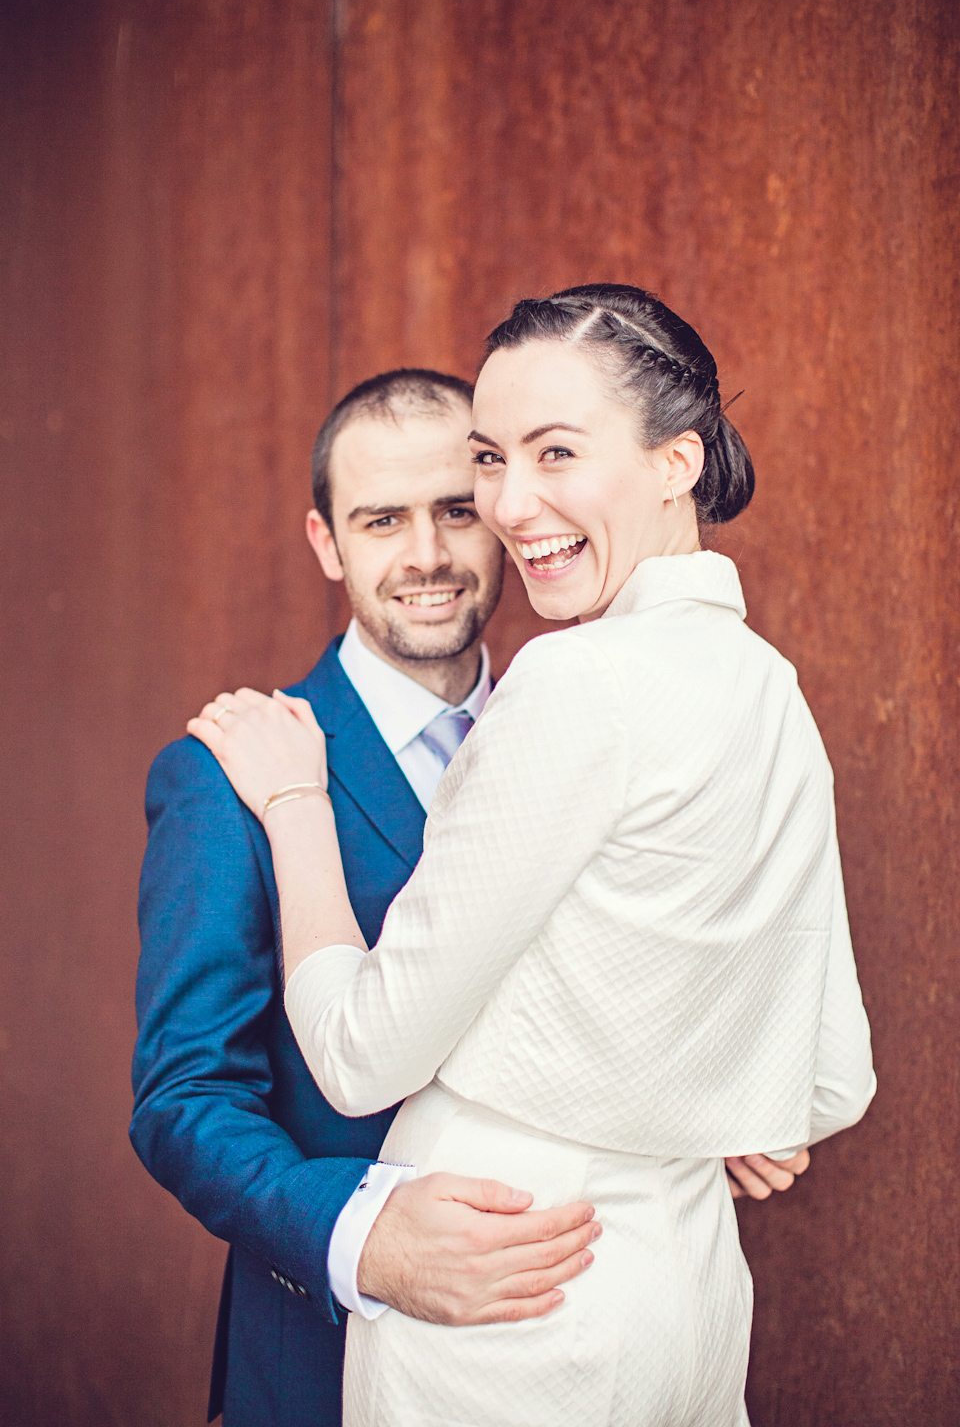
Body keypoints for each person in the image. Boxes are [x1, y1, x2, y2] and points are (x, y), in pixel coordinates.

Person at [192, 286, 874, 1426]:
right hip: (687, 1291)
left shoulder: (576, 681)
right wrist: (700, 1098)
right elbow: (824, 1081)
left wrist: (299, 804)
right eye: (492, 461)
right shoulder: (770, 687)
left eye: (556, 451)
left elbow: (360, 1058)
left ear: (676, 463)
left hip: (510, 1299)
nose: (512, 504)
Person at [131, 369, 609, 1427]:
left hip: (588, 1340)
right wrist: (363, 1233)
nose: (428, 557)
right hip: (327, 1366)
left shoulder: (584, 738)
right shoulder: (225, 775)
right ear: (326, 542)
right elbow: (183, 1099)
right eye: (381, 520)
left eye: (452, 510)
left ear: (498, 513)